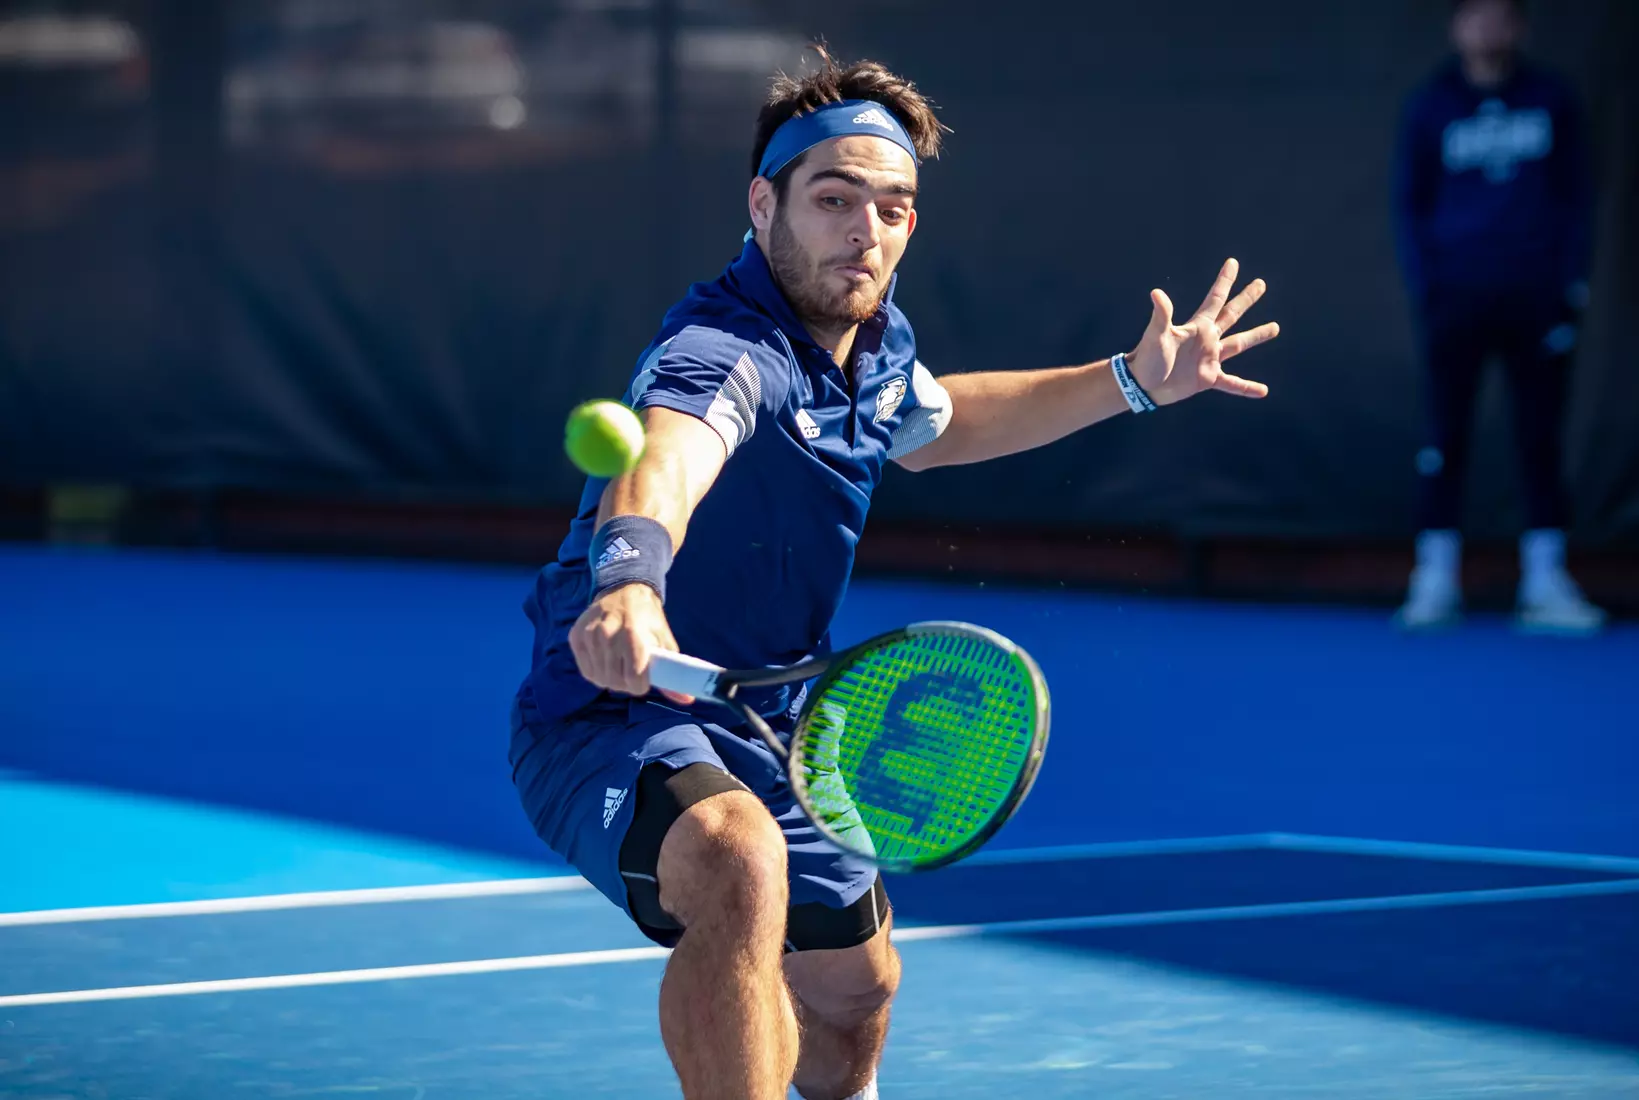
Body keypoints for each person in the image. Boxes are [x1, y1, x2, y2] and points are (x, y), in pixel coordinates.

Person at [509, 49, 1279, 1100]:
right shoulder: (726, 346)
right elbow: (668, 455)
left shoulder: (872, 350)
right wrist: (630, 580)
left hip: (776, 710)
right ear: (762, 200)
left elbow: (941, 421)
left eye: (893, 207)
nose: (865, 229)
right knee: (735, 862)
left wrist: (1132, 382)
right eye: (833, 199)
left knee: (854, 995)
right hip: (615, 700)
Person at [1392, 0, 1603, 634]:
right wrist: (1429, 289)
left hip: (1537, 301)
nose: (1488, 26)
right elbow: (1410, 204)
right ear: (1457, 26)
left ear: (1520, 26)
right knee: (1442, 439)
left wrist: (1569, 288)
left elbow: (1578, 199)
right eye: (1475, 13)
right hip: (1455, 301)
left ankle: (1545, 582)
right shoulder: (1430, 105)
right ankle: (1433, 579)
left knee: (1540, 439)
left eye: (1501, 14)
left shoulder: (1552, 99)